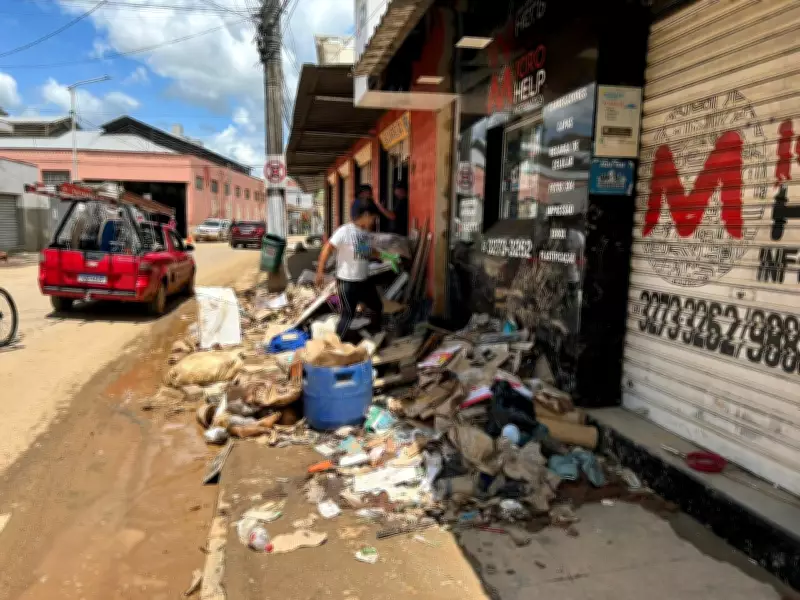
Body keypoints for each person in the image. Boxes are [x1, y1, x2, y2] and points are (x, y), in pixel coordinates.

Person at [316, 201, 384, 339]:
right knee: (348, 315)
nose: (373, 221)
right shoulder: (344, 231)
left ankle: (373, 333)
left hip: (364, 280)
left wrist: (387, 256)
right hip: (347, 282)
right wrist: (320, 271)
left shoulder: (363, 233)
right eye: (373, 218)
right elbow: (327, 248)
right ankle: (336, 346)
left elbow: (367, 251)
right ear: (365, 215)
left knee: (377, 305)